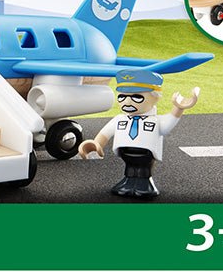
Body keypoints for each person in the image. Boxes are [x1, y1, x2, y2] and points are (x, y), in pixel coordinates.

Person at [78, 68, 199, 198]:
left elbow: (167, 126)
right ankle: (128, 182)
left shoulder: (155, 121)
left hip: (146, 154)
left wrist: (178, 108)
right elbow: (105, 133)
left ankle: (145, 184)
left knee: (143, 170)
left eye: (136, 97)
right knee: (130, 169)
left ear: (155, 98)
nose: (127, 102)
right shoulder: (119, 119)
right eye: (122, 97)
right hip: (125, 152)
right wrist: (96, 143)